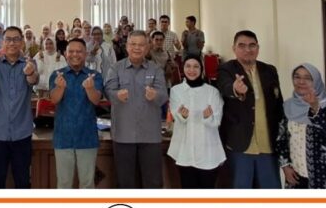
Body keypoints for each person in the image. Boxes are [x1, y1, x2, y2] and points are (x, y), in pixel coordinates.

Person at [217, 30, 284, 188]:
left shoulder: (270, 70)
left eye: (252, 45)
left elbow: (278, 104)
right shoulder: (226, 69)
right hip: (240, 145)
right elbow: (225, 87)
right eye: (242, 45)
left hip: (268, 144)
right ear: (234, 48)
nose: (248, 49)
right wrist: (235, 89)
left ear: (258, 48)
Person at [103, 30, 168, 188]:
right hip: (123, 135)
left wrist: (156, 95)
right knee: (125, 183)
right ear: (127, 46)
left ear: (147, 47)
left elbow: (164, 96)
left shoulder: (156, 69)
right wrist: (116, 95)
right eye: (133, 44)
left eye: (141, 45)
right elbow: (108, 92)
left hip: (150, 136)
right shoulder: (115, 68)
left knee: (153, 183)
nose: (137, 48)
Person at [0, 26, 38, 188]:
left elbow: (33, 80)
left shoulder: (29, 63)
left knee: (23, 182)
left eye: (16, 39)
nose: (12, 43)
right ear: (3, 43)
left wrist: (30, 73)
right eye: (8, 39)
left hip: (22, 133)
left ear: (22, 42)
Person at [276, 63, 326, 189]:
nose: (301, 81)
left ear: (316, 81)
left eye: (307, 78)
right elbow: (281, 138)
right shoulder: (288, 106)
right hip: (297, 175)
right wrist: (285, 166)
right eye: (297, 77)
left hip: (325, 175)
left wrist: (314, 106)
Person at [49, 39, 105, 188]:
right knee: (64, 184)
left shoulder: (95, 76)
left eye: (79, 51)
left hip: (87, 137)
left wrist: (90, 89)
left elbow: (96, 100)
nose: (75, 54)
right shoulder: (57, 75)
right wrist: (60, 88)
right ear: (65, 54)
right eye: (71, 51)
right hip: (63, 137)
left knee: (87, 183)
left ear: (85, 54)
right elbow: (54, 100)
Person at [168, 54, 226, 188]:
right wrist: (183, 116)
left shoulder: (212, 91)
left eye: (196, 66)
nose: (191, 70)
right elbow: (176, 116)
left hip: (208, 152)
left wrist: (207, 117)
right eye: (188, 66)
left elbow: (217, 121)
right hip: (185, 151)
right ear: (183, 68)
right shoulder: (176, 90)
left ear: (201, 69)